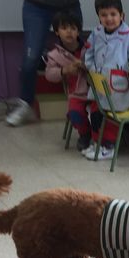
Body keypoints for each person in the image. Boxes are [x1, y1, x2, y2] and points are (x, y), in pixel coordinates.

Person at [6, 0, 84, 127]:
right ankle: (25, 104)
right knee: (30, 59)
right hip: (36, 4)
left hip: (67, 2)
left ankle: (86, 100)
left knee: (81, 53)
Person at [82, 0, 129, 161]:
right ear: (98, 16)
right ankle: (98, 143)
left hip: (118, 87)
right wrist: (92, 69)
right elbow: (88, 55)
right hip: (99, 84)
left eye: (113, 14)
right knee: (97, 114)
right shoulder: (96, 33)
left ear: (122, 15)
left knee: (113, 116)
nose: (109, 18)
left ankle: (109, 146)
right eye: (104, 14)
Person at [44, 12, 94, 154]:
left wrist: (85, 66)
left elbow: (100, 64)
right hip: (76, 94)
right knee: (74, 113)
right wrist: (64, 71)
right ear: (57, 32)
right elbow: (49, 75)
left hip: (95, 92)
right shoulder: (54, 55)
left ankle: (102, 136)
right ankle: (85, 135)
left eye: (73, 28)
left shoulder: (90, 48)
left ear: (78, 31)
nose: (69, 32)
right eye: (64, 28)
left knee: (101, 113)